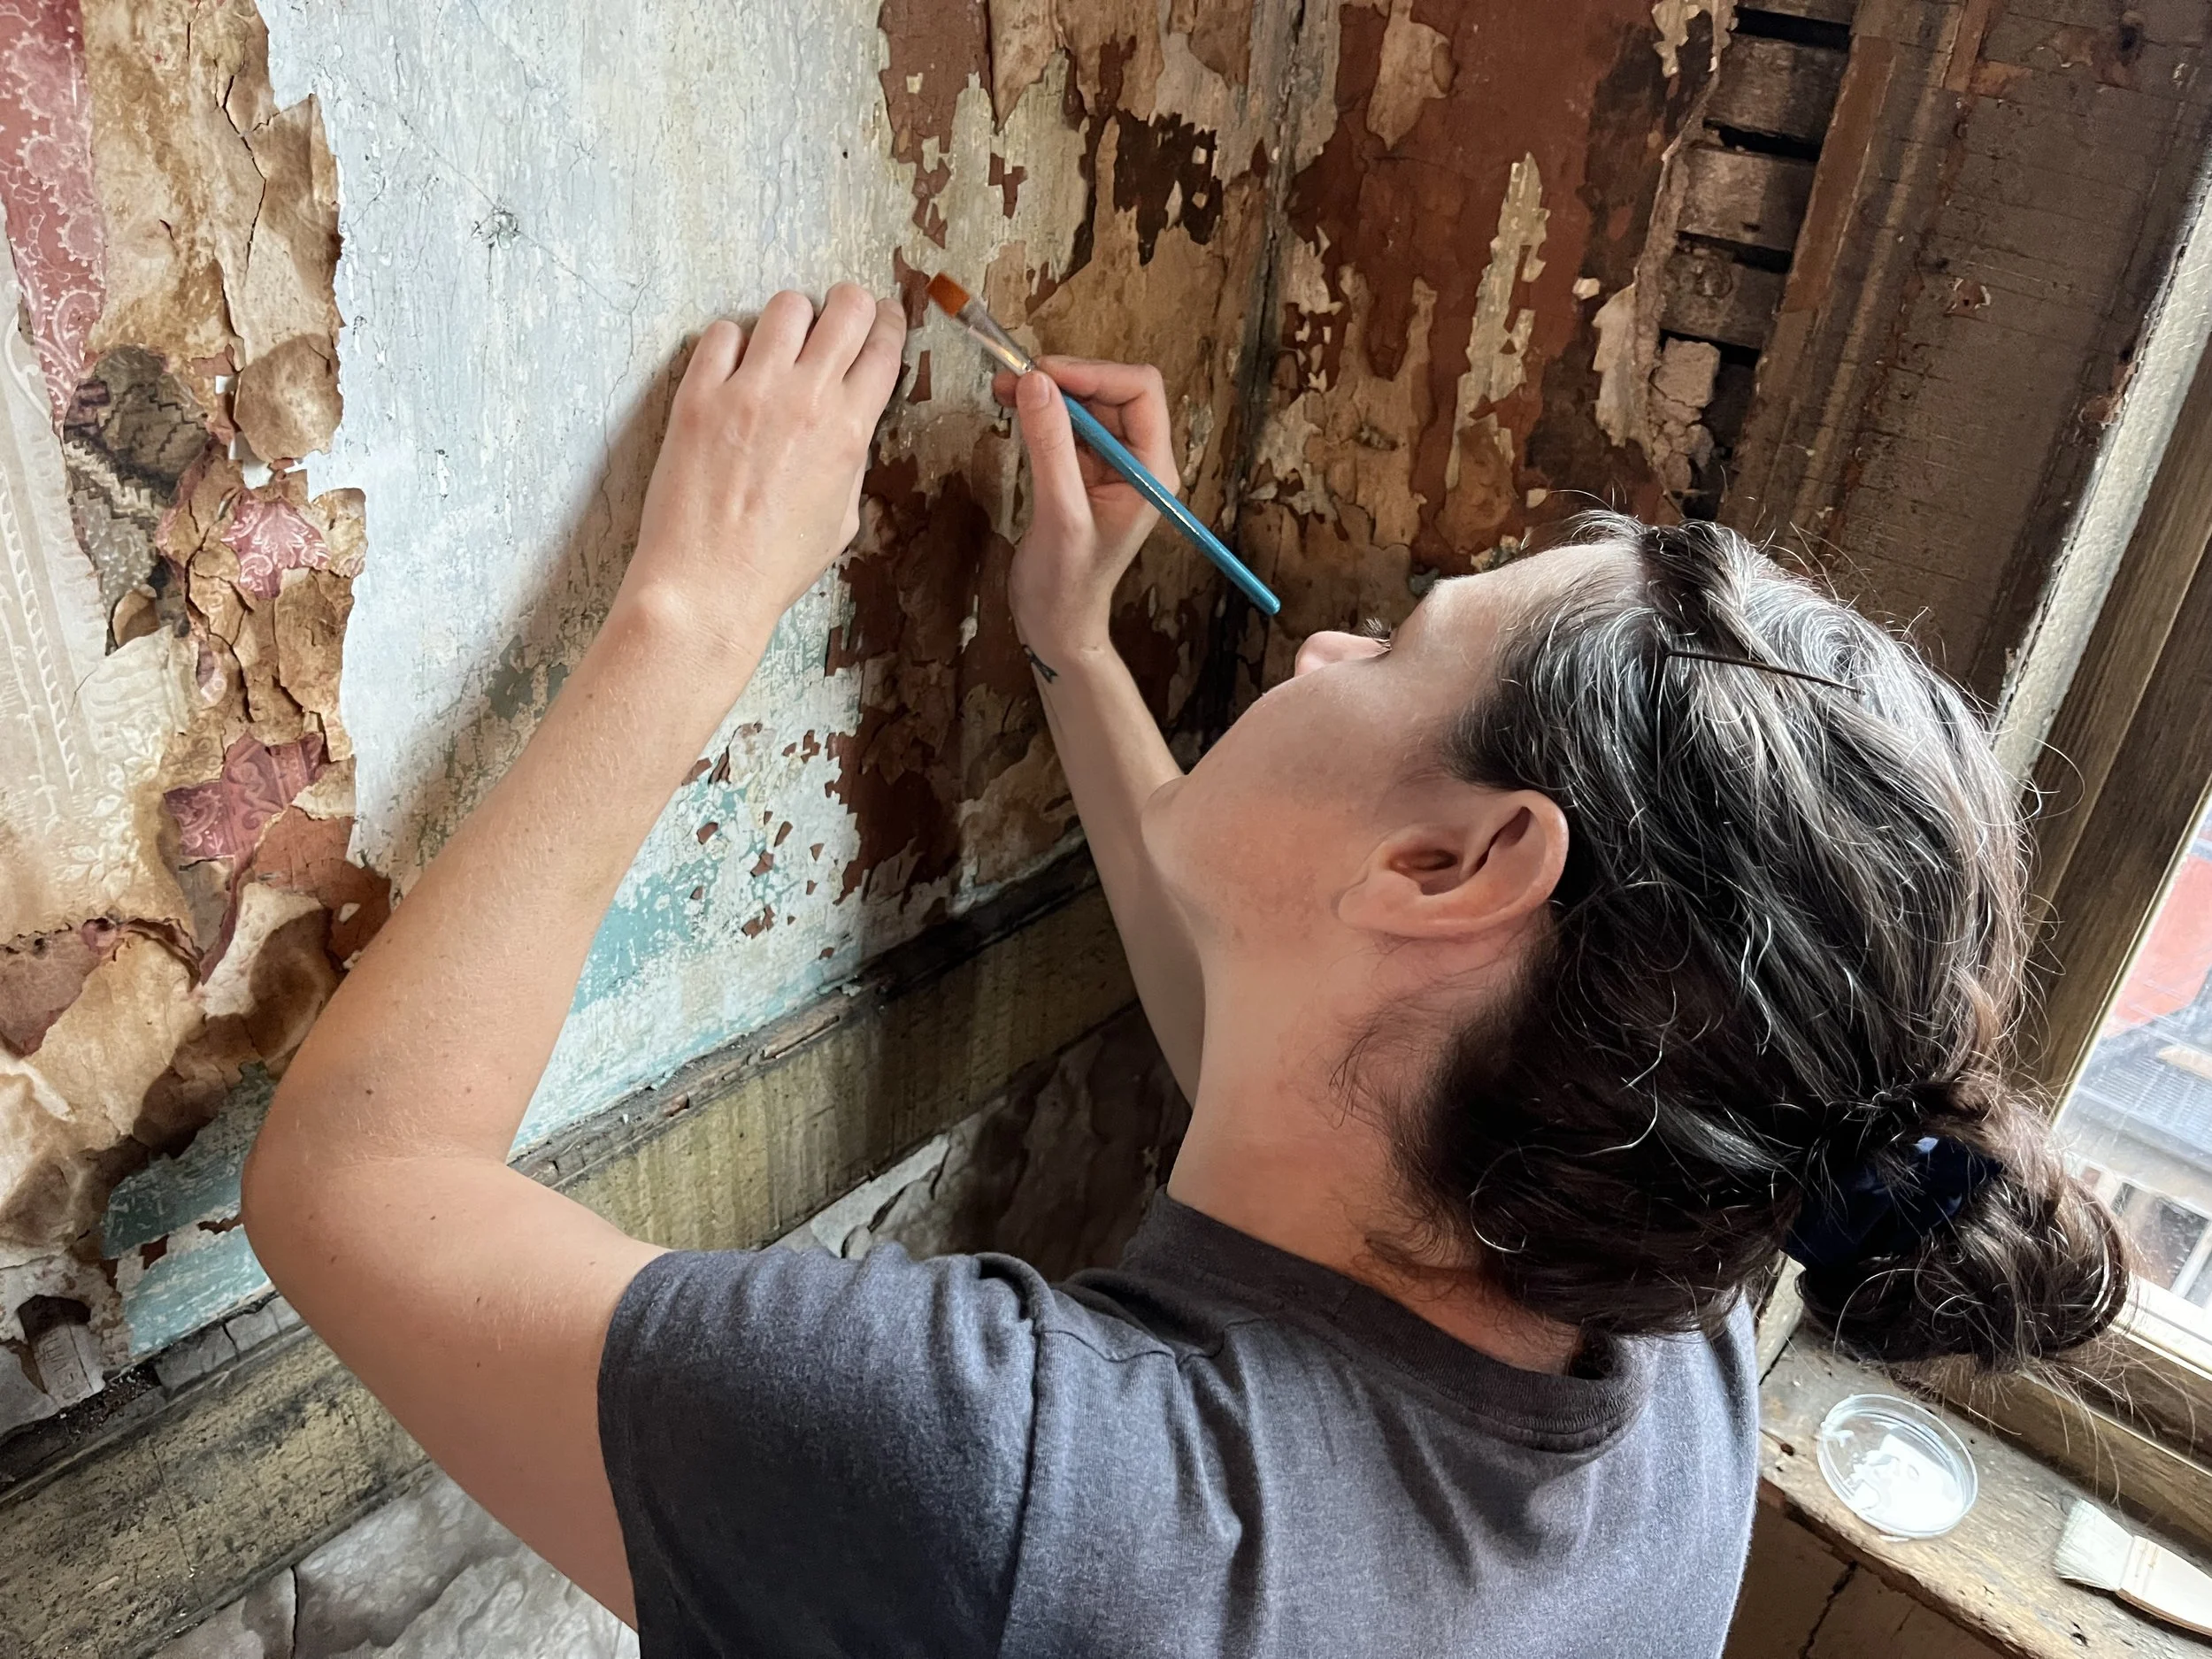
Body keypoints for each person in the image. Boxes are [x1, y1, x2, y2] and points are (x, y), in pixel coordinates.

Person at [242, 283, 2127, 1657]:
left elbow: (350, 1183)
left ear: (1448, 866)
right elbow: (1292, 1045)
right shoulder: (1667, 1324)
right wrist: (1072, 644)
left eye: (1396, 642)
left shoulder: (1009, 1492)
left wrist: (691, 606)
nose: (1314, 649)